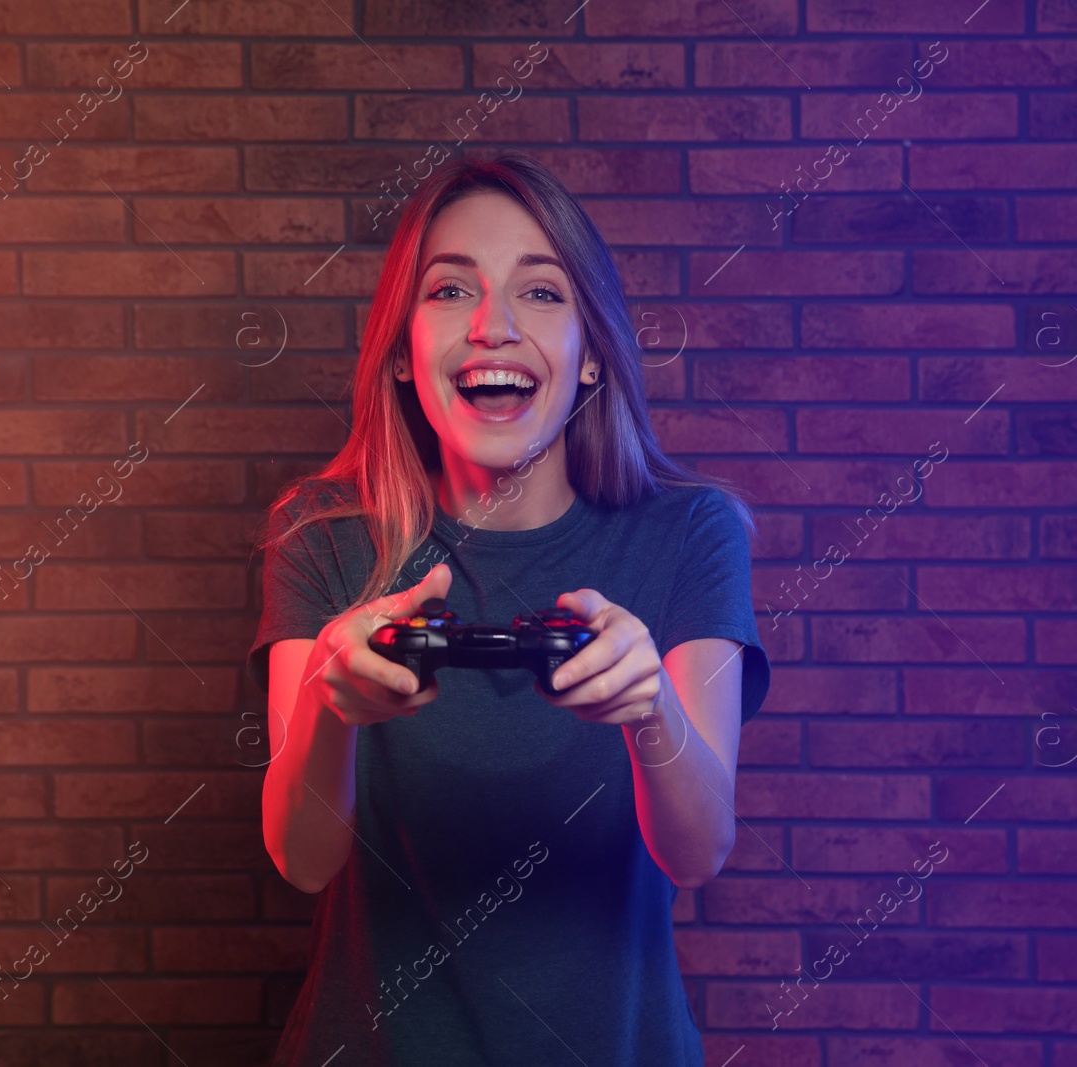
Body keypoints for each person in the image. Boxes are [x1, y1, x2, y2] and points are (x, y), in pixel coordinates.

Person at [246, 152, 770, 1065]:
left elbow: (697, 851)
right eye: (450, 292)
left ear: (594, 357)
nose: (492, 326)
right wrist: (333, 709)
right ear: (405, 356)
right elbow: (303, 858)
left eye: (541, 293)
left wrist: (650, 709)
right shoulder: (323, 536)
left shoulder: (691, 533)